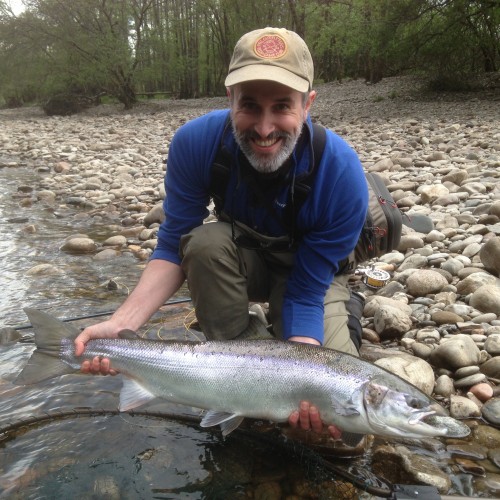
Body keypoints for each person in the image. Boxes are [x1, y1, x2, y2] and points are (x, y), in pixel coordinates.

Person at [74, 27, 368, 439]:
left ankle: (343, 312)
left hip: (312, 280)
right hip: (242, 262)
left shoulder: (340, 173)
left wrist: (305, 378)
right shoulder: (196, 143)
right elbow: (173, 245)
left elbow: (304, 292)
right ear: (229, 100)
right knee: (203, 241)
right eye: (249, 105)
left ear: (308, 104)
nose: (264, 128)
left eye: (282, 106)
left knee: (342, 433)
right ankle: (235, 387)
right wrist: (121, 325)